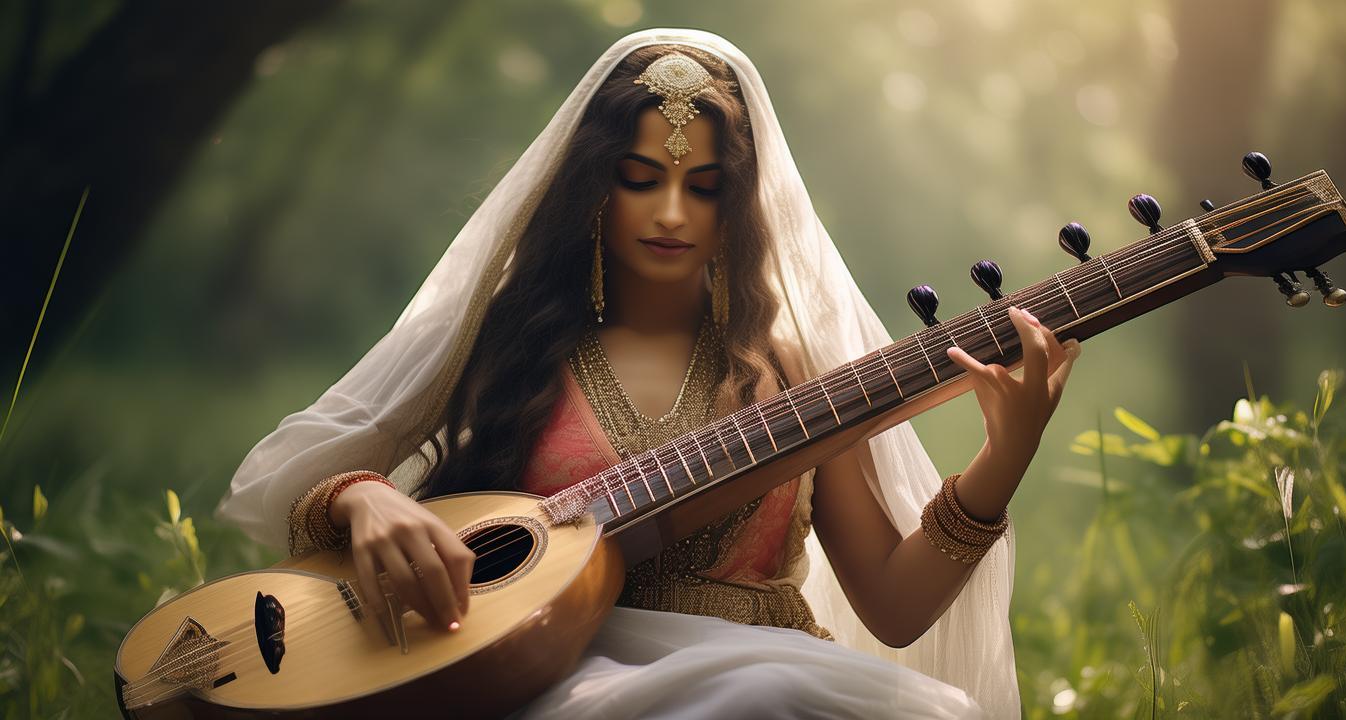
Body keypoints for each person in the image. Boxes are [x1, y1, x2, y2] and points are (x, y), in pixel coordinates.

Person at [216, 28, 1080, 718]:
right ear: (594, 188)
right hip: (553, 677)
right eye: (640, 179)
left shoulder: (794, 375)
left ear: (735, 203)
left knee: (761, 695)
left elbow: (893, 608)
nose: (671, 213)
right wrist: (361, 498)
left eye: (702, 187)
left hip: (768, 675)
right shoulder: (515, 348)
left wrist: (1003, 459)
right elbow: (291, 478)